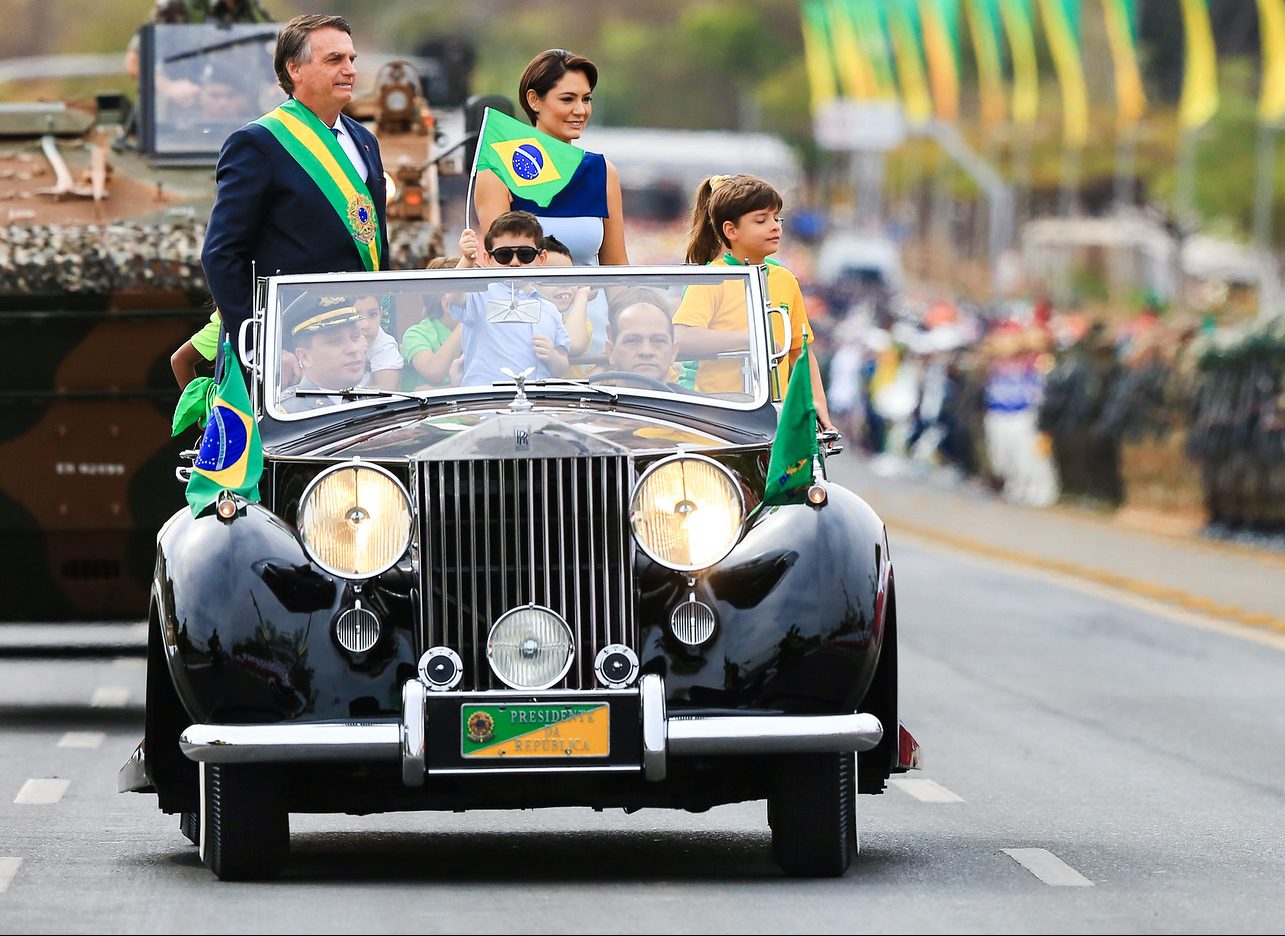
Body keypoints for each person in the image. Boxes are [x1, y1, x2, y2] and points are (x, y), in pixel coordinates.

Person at [201, 14, 388, 361]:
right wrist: (261, 343)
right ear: (295, 70)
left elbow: (372, 241)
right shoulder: (258, 143)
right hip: (291, 346)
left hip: (355, 342)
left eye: (351, 59)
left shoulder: (365, 141)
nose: (349, 70)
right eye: (334, 60)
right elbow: (221, 255)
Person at [673, 174, 835, 430]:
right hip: (713, 417)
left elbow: (800, 353)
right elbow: (682, 340)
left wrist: (817, 404)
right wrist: (752, 340)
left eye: (777, 218)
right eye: (761, 220)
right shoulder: (712, 278)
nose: (775, 227)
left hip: (771, 419)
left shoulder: (785, 279)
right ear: (730, 230)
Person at [472, 49, 628, 266]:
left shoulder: (602, 172)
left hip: (593, 299)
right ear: (534, 100)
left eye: (586, 99)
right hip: (526, 300)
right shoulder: (499, 168)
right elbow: (503, 266)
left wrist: (641, 301)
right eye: (567, 99)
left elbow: (617, 269)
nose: (580, 110)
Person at [449, 212, 570, 387]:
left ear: (541, 258)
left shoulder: (550, 309)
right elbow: (454, 293)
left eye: (525, 255)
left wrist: (552, 356)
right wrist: (467, 260)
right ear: (488, 259)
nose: (514, 262)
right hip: (485, 402)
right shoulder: (479, 296)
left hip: (536, 403)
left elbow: (562, 365)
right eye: (504, 255)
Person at [277, 297, 368, 413]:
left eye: (355, 337)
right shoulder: (287, 413)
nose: (353, 349)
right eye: (335, 341)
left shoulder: (375, 402)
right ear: (305, 357)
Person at [604, 299, 681, 386]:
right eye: (632, 341)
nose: (646, 351)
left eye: (658, 341)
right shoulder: (589, 399)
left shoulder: (692, 400)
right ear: (610, 351)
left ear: (674, 351)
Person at [353, 295, 404, 390]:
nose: (365, 325)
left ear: (381, 313)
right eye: (356, 317)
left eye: (373, 314)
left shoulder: (384, 344)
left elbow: (387, 390)